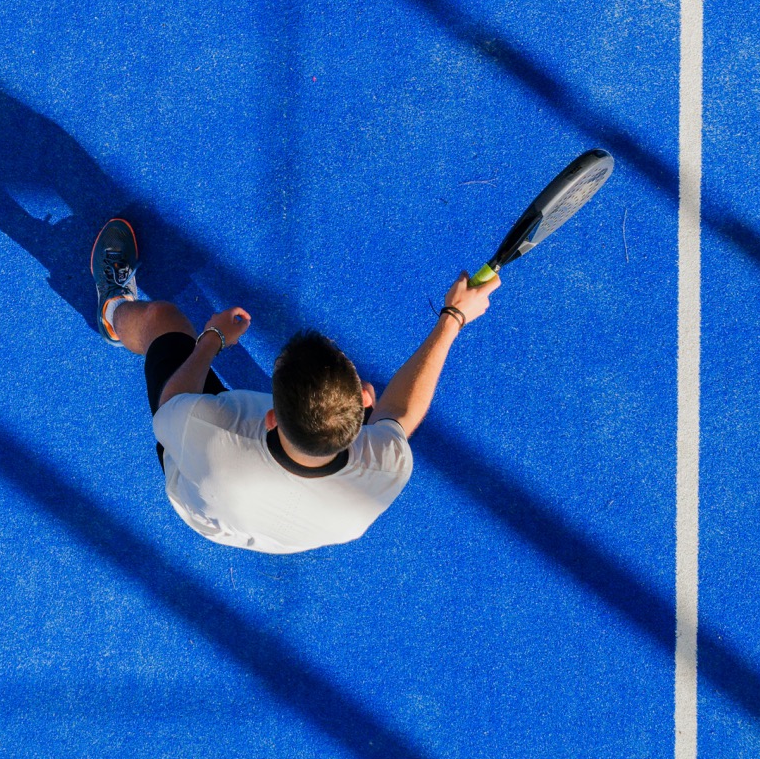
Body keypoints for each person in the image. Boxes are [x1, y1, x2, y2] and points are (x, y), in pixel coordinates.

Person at [90, 216, 488, 553]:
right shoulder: (385, 469)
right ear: (362, 405)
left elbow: (172, 402)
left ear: (269, 418)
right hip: (270, 527)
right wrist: (453, 317)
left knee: (163, 320)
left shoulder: (211, 431)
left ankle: (113, 309)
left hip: (198, 496)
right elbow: (399, 414)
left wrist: (212, 338)